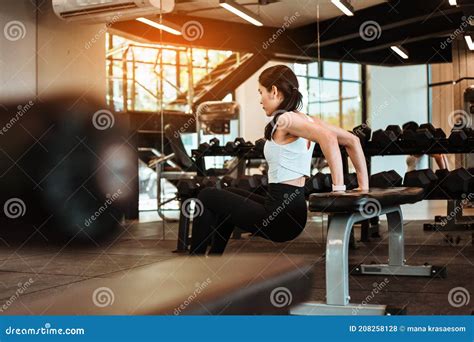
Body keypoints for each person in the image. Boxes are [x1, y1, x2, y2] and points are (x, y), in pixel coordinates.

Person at [189, 65, 369, 255]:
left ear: (274, 91)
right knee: (226, 196)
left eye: (261, 93)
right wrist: (363, 186)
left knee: (206, 195)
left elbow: (330, 140)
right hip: (293, 211)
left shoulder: (285, 120)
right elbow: (353, 140)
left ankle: (195, 266)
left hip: (279, 216)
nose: (260, 100)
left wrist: (338, 191)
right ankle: (212, 263)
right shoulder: (308, 119)